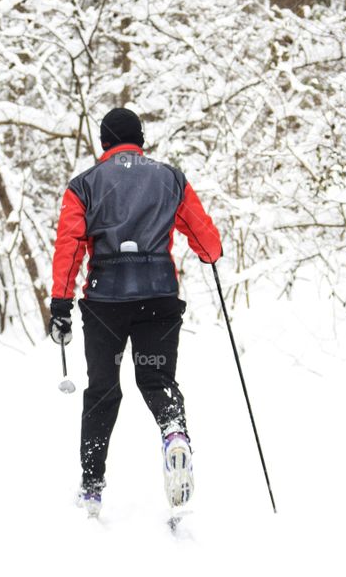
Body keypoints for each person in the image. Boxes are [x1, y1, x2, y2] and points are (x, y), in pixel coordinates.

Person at [49, 107, 223, 517]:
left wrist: (61, 302)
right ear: (140, 139)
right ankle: (174, 433)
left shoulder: (83, 186)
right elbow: (208, 243)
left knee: (103, 390)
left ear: (104, 142)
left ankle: (92, 487)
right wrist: (208, 253)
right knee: (156, 378)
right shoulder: (170, 179)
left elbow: (70, 246)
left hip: (105, 303)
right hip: (159, 298)